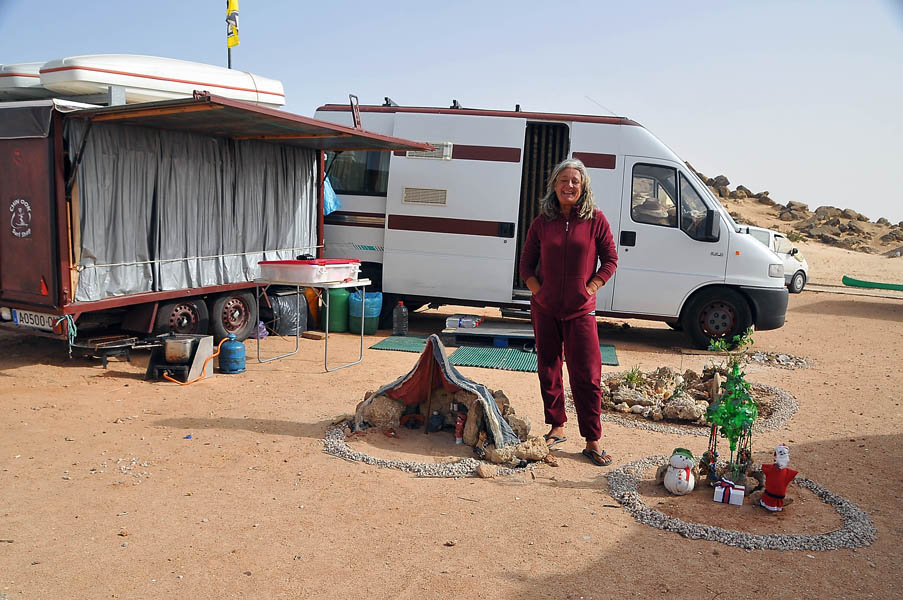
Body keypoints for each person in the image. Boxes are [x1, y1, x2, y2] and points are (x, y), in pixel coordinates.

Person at [519, 158, 618, 466]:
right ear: (554, 185)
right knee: (548, 368)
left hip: (580, 311)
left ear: (583, 186)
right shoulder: (542, 222)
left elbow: (610, 259)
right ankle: (556, 426)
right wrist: (539, 291)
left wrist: (591, 287)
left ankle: (592, 440)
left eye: (575, 180)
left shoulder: (596, 220)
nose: (569, 185)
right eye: (564, 180)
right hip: (545, 309)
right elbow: (525, 264)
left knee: (587, 374)